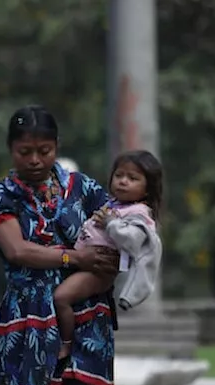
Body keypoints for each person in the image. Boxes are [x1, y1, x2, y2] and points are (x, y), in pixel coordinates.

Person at [0, 105, 121, 385]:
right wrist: (76, 258)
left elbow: (117, 227)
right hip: (30, 320)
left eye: (44, 151)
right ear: (11, 150)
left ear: (56, 146)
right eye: (25, 152)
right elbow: (18, 250)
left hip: (85, 314)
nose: (35, 160)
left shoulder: (83, 188)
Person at [54, 150, 164, 359]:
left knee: (61, 298)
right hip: (84, 259)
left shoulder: (140, 214)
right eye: (119, 175)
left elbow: (132, 240)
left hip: (99, 269)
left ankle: (66, 343)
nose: (123, 182)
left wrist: (111, 224)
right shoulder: (114, 204)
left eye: (132, 178)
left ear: (148, 189)